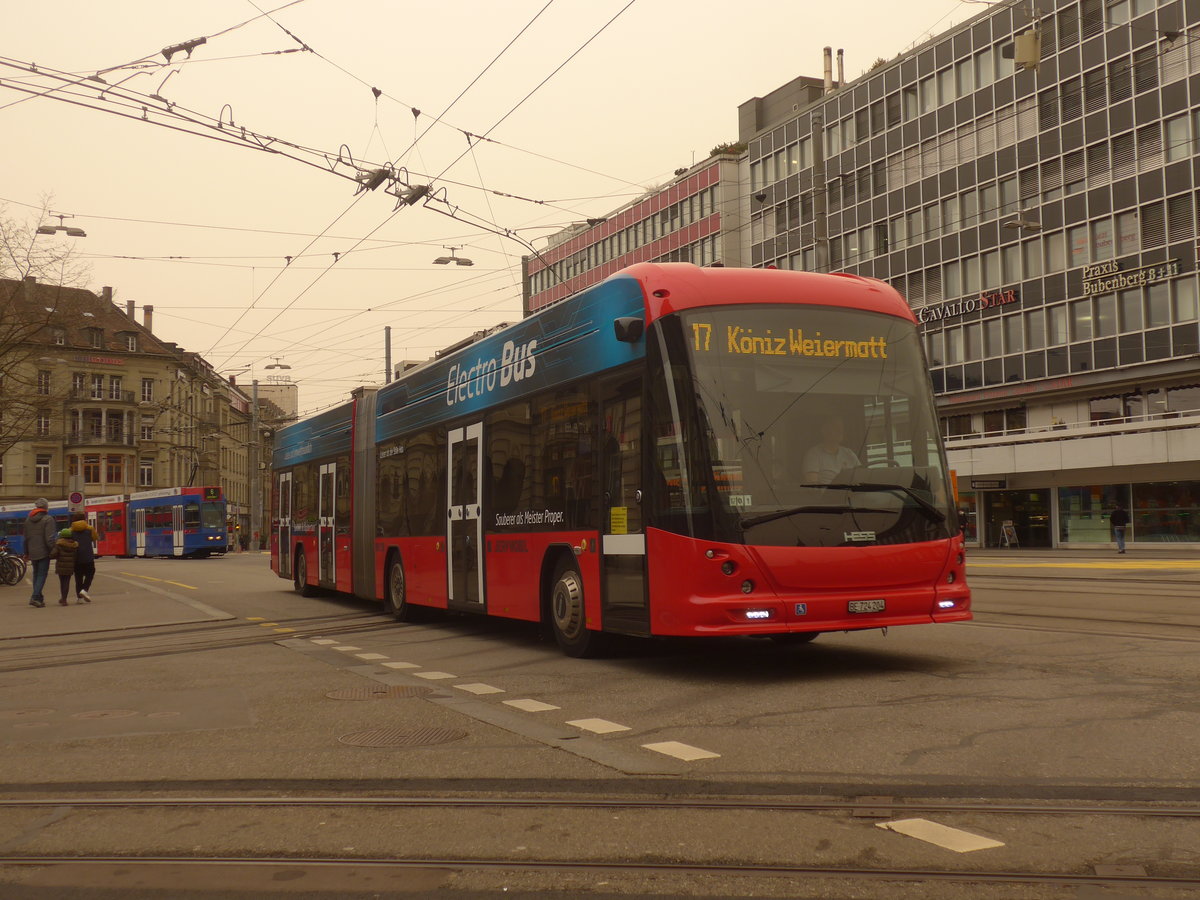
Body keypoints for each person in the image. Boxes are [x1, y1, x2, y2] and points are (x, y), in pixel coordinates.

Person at [802, 416, 861, 485]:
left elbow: (861, 478)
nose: (840, 430)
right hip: (828, 495)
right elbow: (813, 486)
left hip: (851, 494)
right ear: (824, 430)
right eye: (835, 427)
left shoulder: (849, 453)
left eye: (842, 427)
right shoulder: (813, 454)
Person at [23, 498, 58, 608]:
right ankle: (34, 596)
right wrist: (54, 550)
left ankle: (39, 598)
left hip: (32, 552)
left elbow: (26, 538)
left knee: (36, 575)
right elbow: (49, 539)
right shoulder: (48, 519)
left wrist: (26, 552)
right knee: (42, 575)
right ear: (46, 507)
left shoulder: (28, 520)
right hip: (43, 552)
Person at [68, 513, 98, 602]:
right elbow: (95, 538)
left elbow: (68, 541)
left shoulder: (70, 530)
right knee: (90, 573)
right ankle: (84, 590)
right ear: (84, 519)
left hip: (76, 557)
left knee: (78, 577)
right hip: (88, 555)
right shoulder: (90, 528)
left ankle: (79, 598)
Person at [49, 528, 79, 607]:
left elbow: (53, 554)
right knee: (67, 582)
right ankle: (64, 599)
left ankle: (63, 599)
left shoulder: (59, 544)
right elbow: (76, 556)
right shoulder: (74, 545)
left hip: (60, 566)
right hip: (70, 566)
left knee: (62, 583)